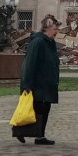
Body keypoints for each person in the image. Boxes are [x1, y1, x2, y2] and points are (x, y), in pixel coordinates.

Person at [17, 14, 61, 145]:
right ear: (47, 28)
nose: (57, 32)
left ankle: (38, 136)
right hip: (38, 84)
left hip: (47, 83)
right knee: (35, 110)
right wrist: (27, 84)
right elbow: (30, 63)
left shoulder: (49, 42)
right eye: (55, 29)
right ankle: (24, 132)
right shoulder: (38, 42)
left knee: (43, 109)